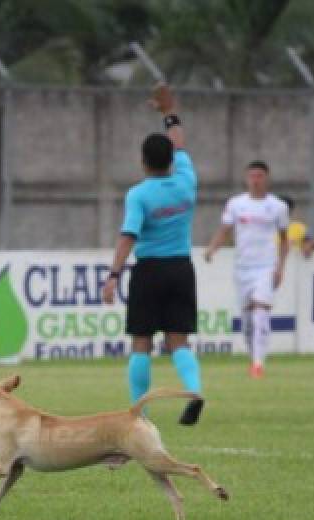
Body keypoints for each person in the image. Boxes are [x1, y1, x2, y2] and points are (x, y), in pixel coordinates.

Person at [102, 83, 204, 426]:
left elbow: (128, 236)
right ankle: (194, 391)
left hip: (149, 271)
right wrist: (168, 112)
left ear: (143, 161)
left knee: (141, 342)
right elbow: (178, 141)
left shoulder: (139, 195)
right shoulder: (187, 181)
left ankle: (139, 411)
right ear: (172, 160)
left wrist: (113, 275)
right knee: (179, 341)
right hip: (181, 268)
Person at [203, 161, 291, 378]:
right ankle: (254, 357)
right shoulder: (236, 204)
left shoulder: (278, 207)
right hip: (242, 268)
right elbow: (225, 230)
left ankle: (258, 364)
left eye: (260, 175)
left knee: (261, 311)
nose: (255, 180)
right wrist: (212, 248)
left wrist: (280, 267)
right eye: (252, 175)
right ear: (246, 178)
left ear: (267, 178)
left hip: (266, 266)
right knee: (247, 322)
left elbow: (284, 239)